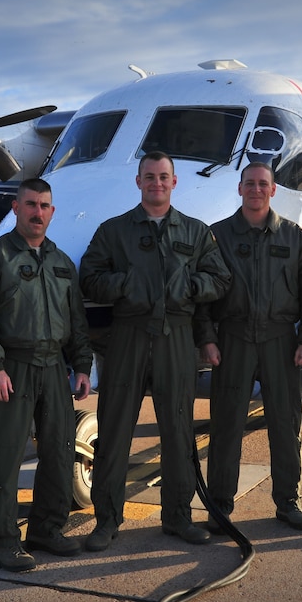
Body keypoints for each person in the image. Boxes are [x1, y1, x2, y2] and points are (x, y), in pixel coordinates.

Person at [79, 151, 232, 551]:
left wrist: (191, 288)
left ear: (174, 182)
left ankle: (178, 517)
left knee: (179, 432)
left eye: (164, 177)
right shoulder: (114, 231)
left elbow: (220, 278)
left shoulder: (196, 232)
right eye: (149, 177)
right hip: (127, 337)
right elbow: (90, 278)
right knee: (114, 432)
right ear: (139, 182)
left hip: (176, 338)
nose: (157, 183)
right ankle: (106, 520)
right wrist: (126, 284)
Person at [0, 178, 93, 572]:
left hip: (54, 368)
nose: (37, 212)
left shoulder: (61, 262)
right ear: (16, 208)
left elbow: (77, 322)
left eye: (44, 205)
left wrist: (81, 365)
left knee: (59, 450)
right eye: (30, 204)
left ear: (52, 211)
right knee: (4, 457)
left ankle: (47, 529)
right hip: (11, 367)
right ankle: (3, 541)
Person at [195, 162, 302, 533]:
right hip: (233, 338)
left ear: (273, 190)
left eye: (262, 184)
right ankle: (220, 505)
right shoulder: (217, 236)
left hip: (280, 340)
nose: (256, 189)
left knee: (286, 425)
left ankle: (289, 502)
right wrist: (207, 337)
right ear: (239, 189)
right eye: (249, 183)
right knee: (225, 426)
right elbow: (203, 294)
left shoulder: (293, 236)